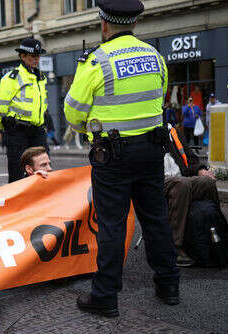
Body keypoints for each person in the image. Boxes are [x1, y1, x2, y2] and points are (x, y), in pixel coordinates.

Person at [64, 0, 179, 317]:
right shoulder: (155, 57)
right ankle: (169, 285)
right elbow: (161, 95)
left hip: (113, 156)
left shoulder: (97, 61)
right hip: (152, 151)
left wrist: (88, 127)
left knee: (112, 225)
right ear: (134, 23)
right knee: (155, 217)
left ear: (104, 24)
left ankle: (105, 296)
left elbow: (72, 111)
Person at [0, 38, 49, 183]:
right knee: (17, 173)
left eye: (38, 55)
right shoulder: (12, 78)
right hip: (17, 130)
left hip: (37, 130)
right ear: (23, 56)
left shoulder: (41, 78)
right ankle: (17, 203)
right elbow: (0, 106)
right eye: (33, 56)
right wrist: (3, 126)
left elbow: (42, 104)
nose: (36, 59)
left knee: (44, 168)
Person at [164, 126, 219, 267]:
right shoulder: (142, 132)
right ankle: (174, 248)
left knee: (207, 182)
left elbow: (189, 157)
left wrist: (201, 170)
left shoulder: (171, 130)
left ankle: (214, 235)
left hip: (182, 179)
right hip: (156, 182)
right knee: (182, 184)